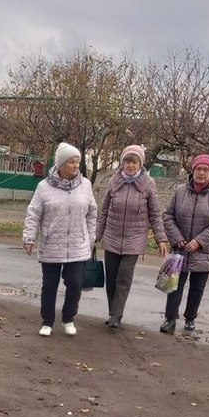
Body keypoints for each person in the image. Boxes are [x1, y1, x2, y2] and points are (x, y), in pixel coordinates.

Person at [23, 142, 97, 337]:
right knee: (50, 285)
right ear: (61, 165)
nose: (76, 166)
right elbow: (33, 214)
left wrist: (90, 237)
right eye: (72, 162)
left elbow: (92, 213)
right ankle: (47, 321)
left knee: (74, 282)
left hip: (78, 245)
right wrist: (29, 238)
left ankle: (68, 318)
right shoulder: (44, 187)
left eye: (78, 162)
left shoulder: (86, 185)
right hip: (51, 244)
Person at [94, 145, 169, 329]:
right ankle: (113, 311)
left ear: (140, 163)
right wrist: (97, 234)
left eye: (134, 162)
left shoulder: (148, 184)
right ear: (123, 163)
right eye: (127, 161)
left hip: (134, 239)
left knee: (123, 277)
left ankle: (116, 315)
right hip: (112, 236)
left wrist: (161, 238)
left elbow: (155, 214)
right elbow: (104, 211)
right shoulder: (114, 181)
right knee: (111, 278)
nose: (130, 165)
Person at [160, 154, 209, 334]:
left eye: (205, 169)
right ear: (193, 171)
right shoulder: (180, 190)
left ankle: (190, 318)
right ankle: (169, 319)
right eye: (198, 169)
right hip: (179, 247)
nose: (201, 173)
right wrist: (177, 238)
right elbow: (168, 216)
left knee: (197, 287)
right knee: (173, 284)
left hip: (204, 250)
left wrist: (200, 241)